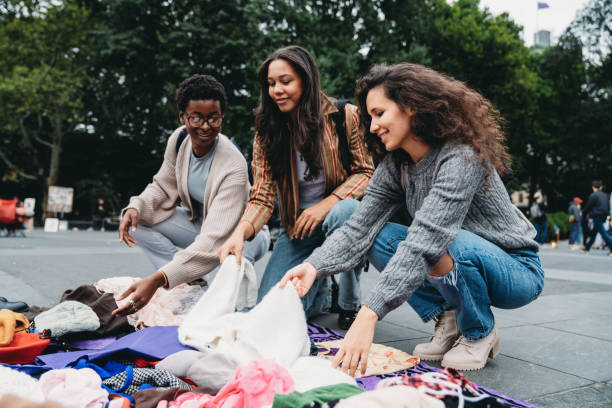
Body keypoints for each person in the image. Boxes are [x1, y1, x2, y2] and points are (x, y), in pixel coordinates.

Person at [279, 63, 544, 374]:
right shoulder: (396, 164)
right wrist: (314, 266)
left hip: (516, 270)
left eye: (379, 113)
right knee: (360, 219)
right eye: (370, 117)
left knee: (441, 239)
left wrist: (368, 315)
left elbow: (426, 239)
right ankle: (447, 317)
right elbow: (359, 226)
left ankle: (479, 332)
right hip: (452, 251)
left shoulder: (462, 155)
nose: (373, 125)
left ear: (411, 107)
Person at [218, 46, 374, 328]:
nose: (277, 90)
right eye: (271, 83)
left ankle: (350, 303)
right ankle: (323, 293)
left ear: (306, 80)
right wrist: (239, 233)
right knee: (270, 312)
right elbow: (263, 196)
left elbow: (366, 172)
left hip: (337, 216)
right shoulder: (267, 131)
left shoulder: (344, 116)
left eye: (285, 81)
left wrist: (324, 206)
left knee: (347, 211)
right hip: (298, 228)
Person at [114, 74, 270, 316]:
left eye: (213, 118)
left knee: (220, 311)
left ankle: (188, 279)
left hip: (242, 237)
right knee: (140, 221)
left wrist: (158, 279)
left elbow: (214, 240)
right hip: (202, 225)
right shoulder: (179, 140)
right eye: (195, 117)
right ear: (182, 116)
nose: (205, 126)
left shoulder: (233, 166)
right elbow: (162, 186)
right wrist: (135, 207)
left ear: (222, 118)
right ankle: (189, 282)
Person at [582, 180, 612, 256]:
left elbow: (589, 206)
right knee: (594, 233)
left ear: (593, 187)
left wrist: (583, 213)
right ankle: (587, 248)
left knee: (603, 234)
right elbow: (608, 207)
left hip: (597, 215)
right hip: (604, 215)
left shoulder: (594, 195)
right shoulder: (605, 195)